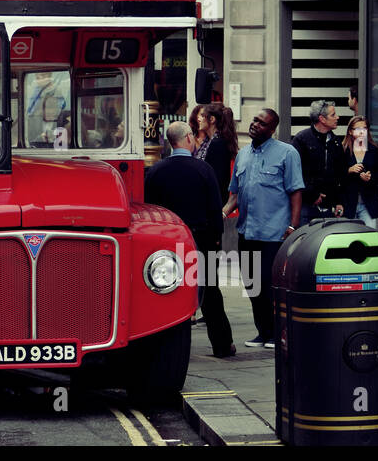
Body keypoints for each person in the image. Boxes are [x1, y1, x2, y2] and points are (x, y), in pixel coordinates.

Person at [145, 121, 235, 357]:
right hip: (201, 238)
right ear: (186, 138)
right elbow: (215, 207)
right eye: (192, 136)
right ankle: (222, 344)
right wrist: (217, 238)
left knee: (168, 291)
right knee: (209, 292)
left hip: (166, 239)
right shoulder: (203, 170)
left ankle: (166, 347)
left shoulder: (155, 170)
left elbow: (149, 208)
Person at [222, 108, 304, 348]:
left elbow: (296, 190)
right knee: (252, 285)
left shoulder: (287, 153)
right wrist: (223, 212)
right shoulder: (243, 154)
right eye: (255, 120)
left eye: (262, 123)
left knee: (271, 286)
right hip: (247, 231)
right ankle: (263, 331)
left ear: (272, 129)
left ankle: (278, 334)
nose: (255, 124)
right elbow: (234, 194)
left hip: (274, 233)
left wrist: (293, 225)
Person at [291, 99, 346, 220]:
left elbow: (340, 174)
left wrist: (339, 201)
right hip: (306, 205)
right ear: (322, 119)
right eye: (333, 115)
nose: (337, 117)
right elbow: (294, 173)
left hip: (330, 208)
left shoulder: (335, 141)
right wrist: (312, 194)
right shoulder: (301, 139)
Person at [339, 116, 378, 227]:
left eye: (364, 129)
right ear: (350, 131)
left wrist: (371, 177)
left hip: (368, 204)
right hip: (348, 203)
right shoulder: (343, 149)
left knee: (369, 237)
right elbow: (335, 176)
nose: (362, 132)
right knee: (348, 237)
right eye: (358, 129)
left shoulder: (375, 149)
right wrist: (349, 170)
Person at [195, 102, 238, 199]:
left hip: (212, 201)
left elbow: (217, 180)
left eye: (203, 116)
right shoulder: (209, 141)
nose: (199, 119)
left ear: (212, 119)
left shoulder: (217, 143)